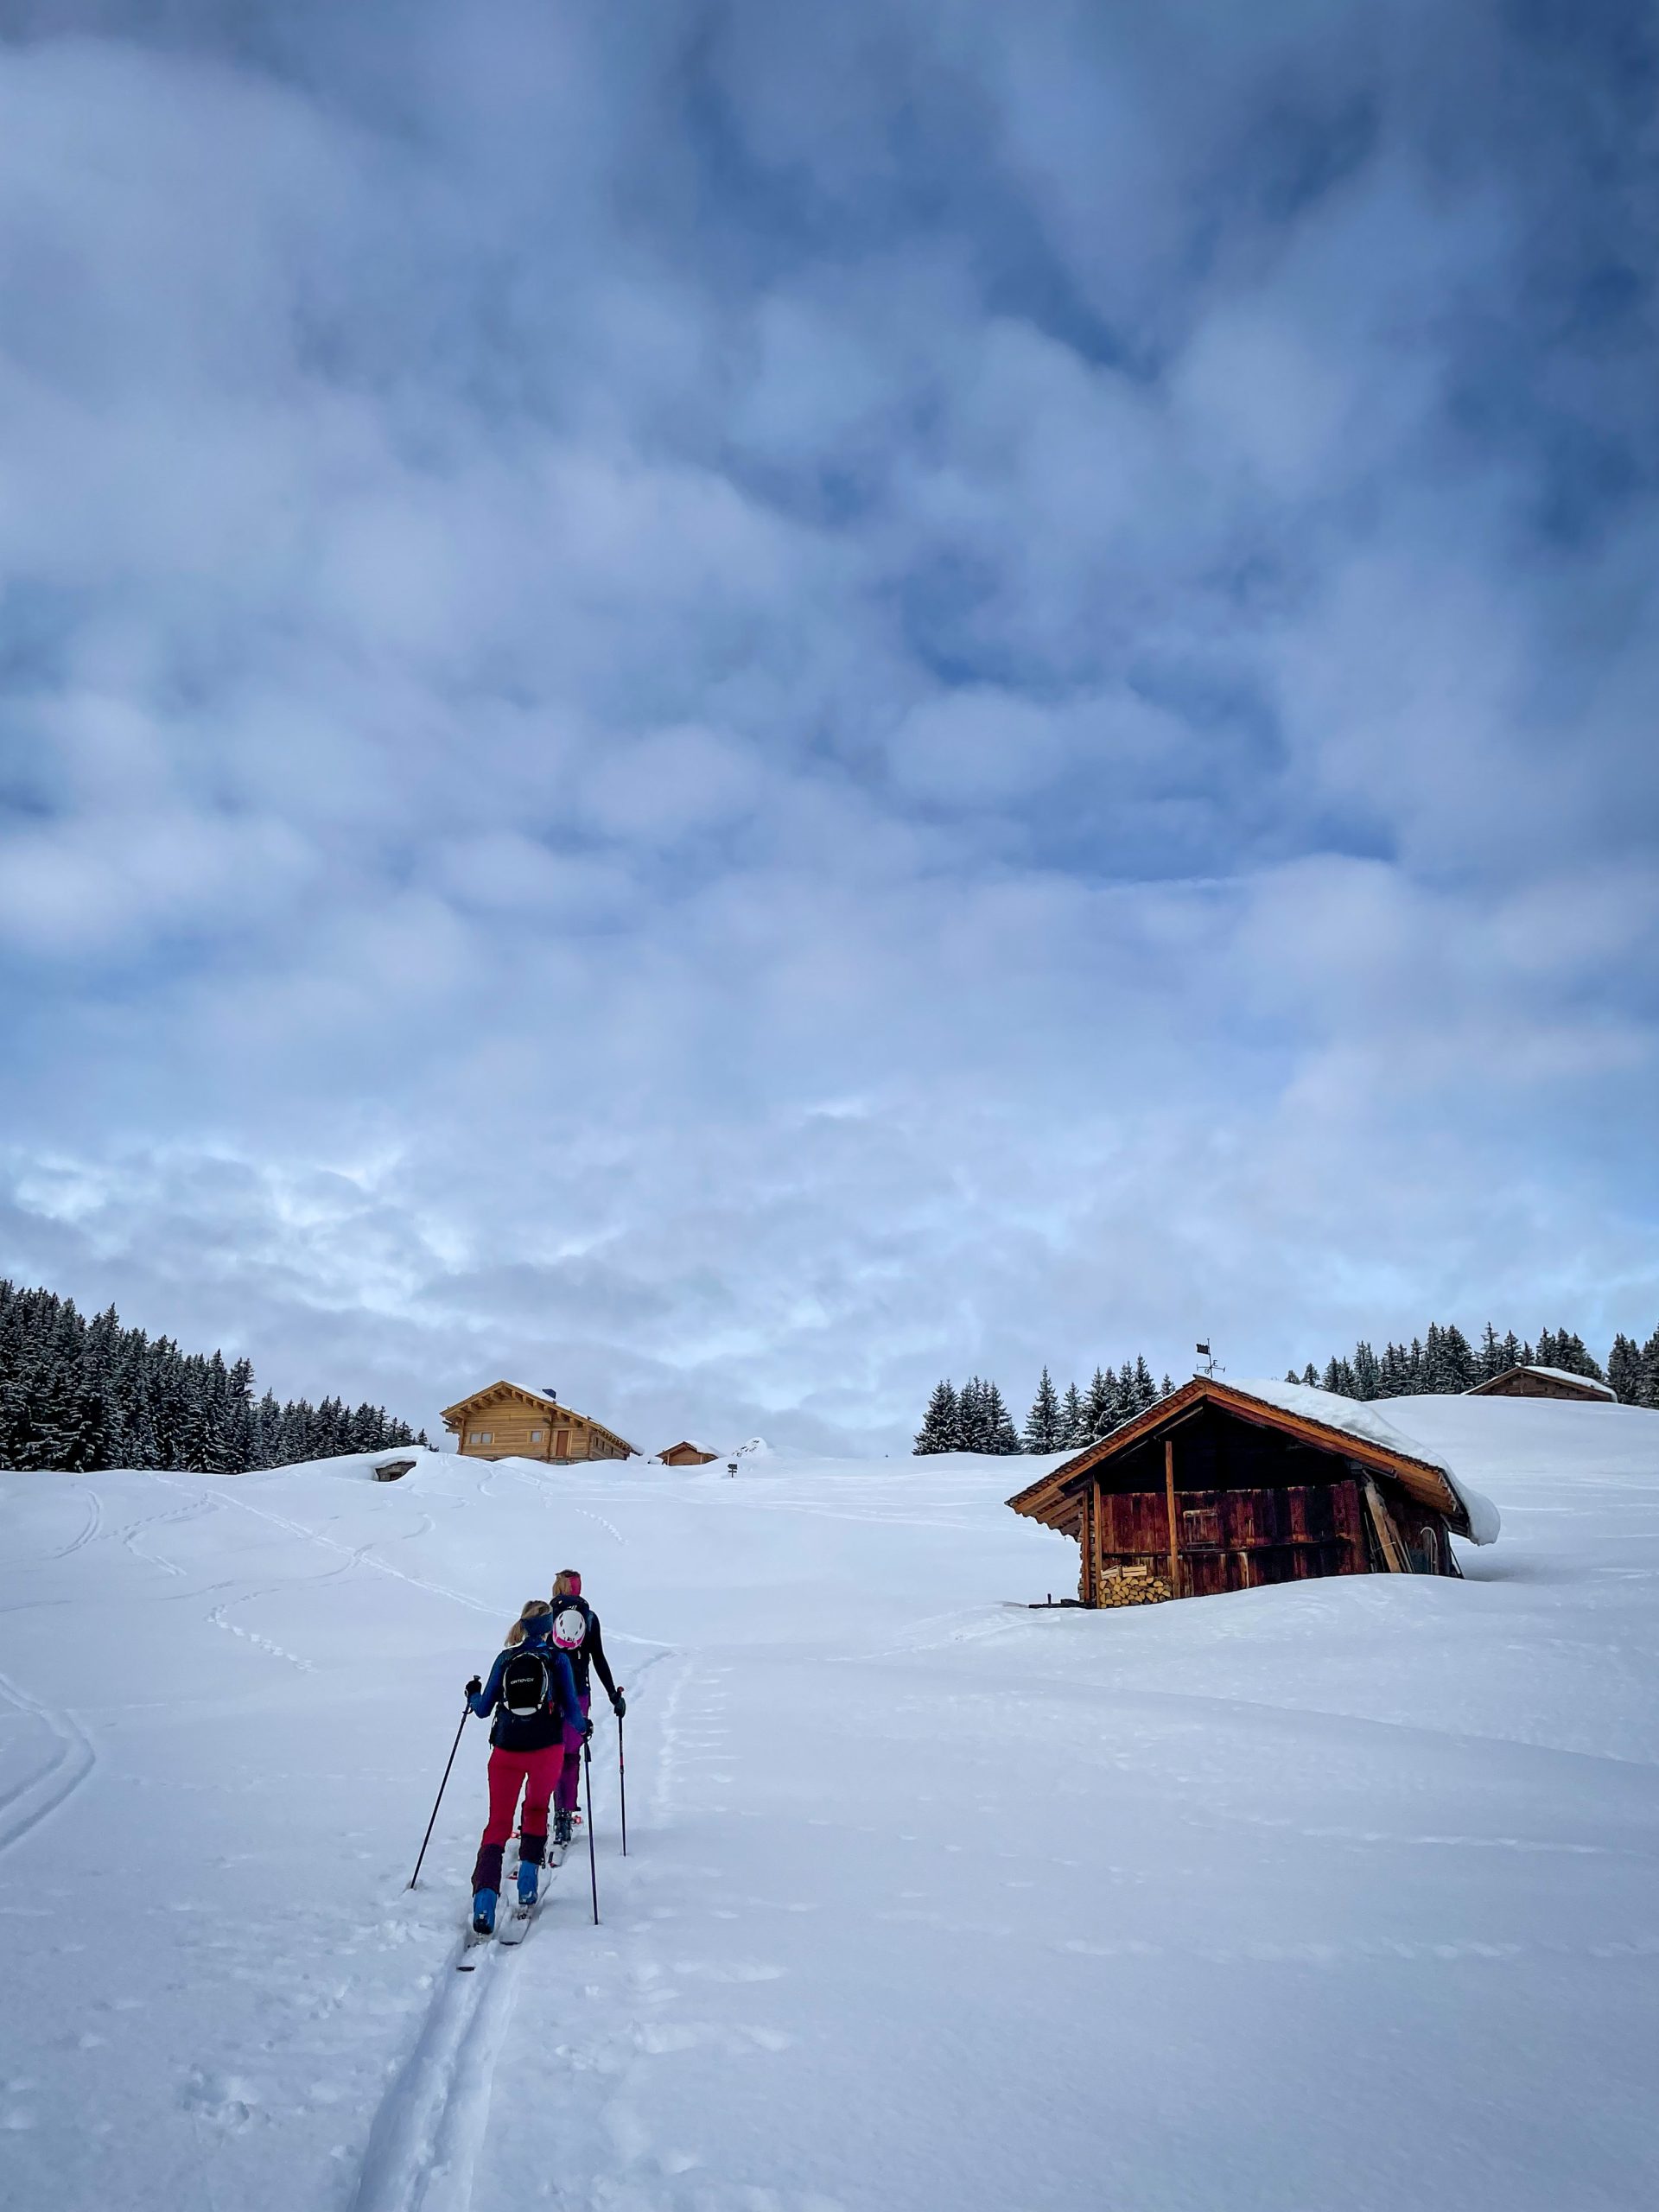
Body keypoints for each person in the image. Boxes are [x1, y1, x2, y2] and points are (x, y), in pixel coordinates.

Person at [464, 1598, 585, 1935]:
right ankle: (528, 1883)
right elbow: (573, 1713)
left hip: (505, 1750)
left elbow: (484, 1709)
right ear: (550, 1628)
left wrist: (472, 1693)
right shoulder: (557, 1659)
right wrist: (584, 1728)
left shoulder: (506, 1659)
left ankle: (484, 1903)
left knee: (498, 1824)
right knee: (535, 1810)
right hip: (547, 1749)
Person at [547, 1568, 625, 1848]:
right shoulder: (590, 1619)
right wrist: (613, 1695)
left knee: (546, 1755)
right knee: (570, 1754)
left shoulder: (546, 1615)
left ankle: (539, 1812)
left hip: (548, 1697)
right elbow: (599, 1659)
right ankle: (565, 1813)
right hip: (579, 1694)